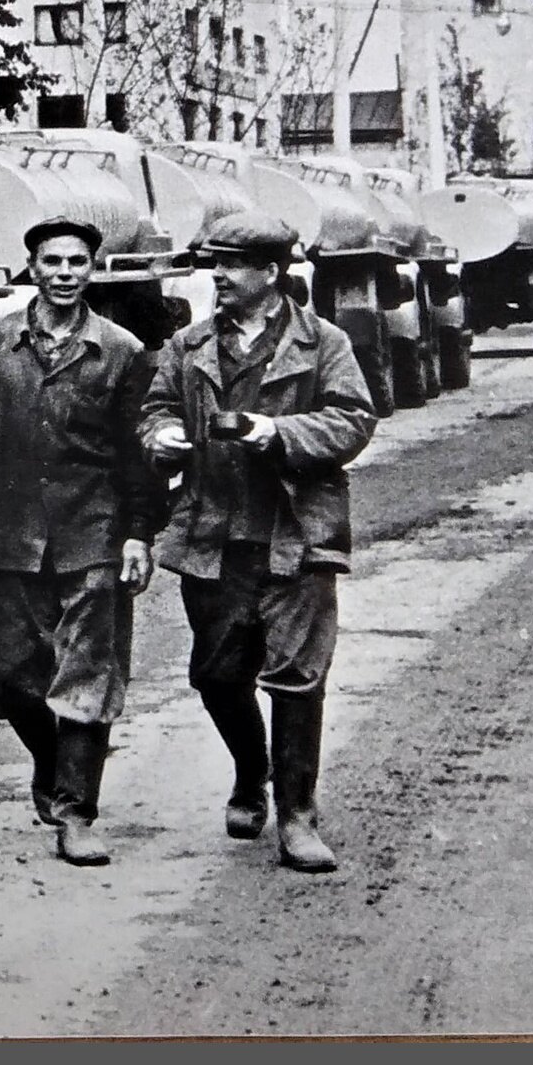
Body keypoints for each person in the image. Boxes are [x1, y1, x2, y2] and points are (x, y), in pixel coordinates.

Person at [140, 208, 376, 873]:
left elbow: (354, 419)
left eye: (233, 264)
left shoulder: (323, 341)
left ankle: (298, 817)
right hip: (213, 535)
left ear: (271, 272)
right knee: (217, 676)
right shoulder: (189, 345)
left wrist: (279, 433)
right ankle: (252, 770)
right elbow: (156, 408)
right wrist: (160, 436)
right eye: (214, 263)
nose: (218, 275)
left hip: (295, 533)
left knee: (297, 679)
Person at [0, 214, 157, 867]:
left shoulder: (120, 351)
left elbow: (138, 457)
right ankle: (55, 764)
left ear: (93, 270)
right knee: (5, 678)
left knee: (87, 676)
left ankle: (77, 813)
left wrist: (139, 533)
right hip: (12, 535)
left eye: (77, 261)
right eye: (52, 261)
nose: (64, 273)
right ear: (32, 268)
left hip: (93, 536)